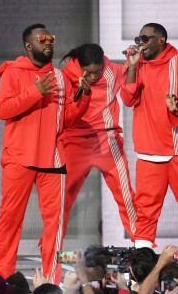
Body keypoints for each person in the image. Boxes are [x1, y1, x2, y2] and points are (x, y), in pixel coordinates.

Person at [0, 23, 91, 283]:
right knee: (10, 221)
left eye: (51, 38)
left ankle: (51, 280)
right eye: (42, 39)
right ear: (28, 45)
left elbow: (66, 118)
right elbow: (3, 109)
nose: (48, 42)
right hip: (19, 158)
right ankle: (0, 279)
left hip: (53, 159)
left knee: (55, 227)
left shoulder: (59, 77)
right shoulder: (14, 72)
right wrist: (35, 92)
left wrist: (84, 99)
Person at [121, 23, 178, 277]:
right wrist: (131, 66)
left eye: (145, 38)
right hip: (147, 153)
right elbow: (128, 98)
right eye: (138, 38)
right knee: (145, 216)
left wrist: (176, 107)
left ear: (161, 40)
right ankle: (139, 275)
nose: (140, 43)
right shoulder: (137, 64)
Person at [60, 43, 137, 239]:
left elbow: (132, 82)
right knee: (61, 200)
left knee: (127, 197)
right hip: (75, 142)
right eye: (88, 72)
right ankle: (50, 250)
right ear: (80, 66)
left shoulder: (113, 71)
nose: (93, 77)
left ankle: (143, 247)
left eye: (97, 71)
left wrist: (134, 62)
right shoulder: (65, 76)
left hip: (107, 138)